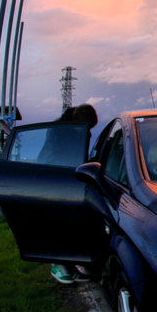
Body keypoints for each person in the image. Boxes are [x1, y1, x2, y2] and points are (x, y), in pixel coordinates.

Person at [48, 104, 98, 284]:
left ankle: (71, 264)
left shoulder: (75, 129)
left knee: (70, 224)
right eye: (87, 127)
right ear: (79, 121)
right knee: (60, 224)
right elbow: (56, 157)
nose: (89, 132)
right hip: (58, 181)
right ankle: (58, 264)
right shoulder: (60, 131)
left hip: (71, 181)